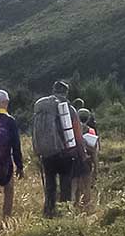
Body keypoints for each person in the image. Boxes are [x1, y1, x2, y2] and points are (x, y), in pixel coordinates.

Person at [36, 81, 87, 218]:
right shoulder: (69, 109)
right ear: (66, 92)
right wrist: (82, 155)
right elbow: (78, 136)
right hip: (66, 153)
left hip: (47, 153)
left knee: (50, 184)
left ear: (53, 90)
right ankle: (63, 212)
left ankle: (48, 211)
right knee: (66, 184)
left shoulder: (42, 107)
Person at [0, 89, 24, 223]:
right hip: (5, 162)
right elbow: (16, 145)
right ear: (6, 102)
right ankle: (6, 220)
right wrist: (19, 165)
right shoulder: (10, 120)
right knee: (9, 191)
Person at [74, 107, 100, 213]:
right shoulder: (91, 131)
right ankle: (86, 210)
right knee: (87, 188)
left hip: (74, 162)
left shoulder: (73, 130)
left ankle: (74, 208)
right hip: (87, 163)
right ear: (88, 118)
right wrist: (96, 169)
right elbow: (95, 151)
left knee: (75, 187)